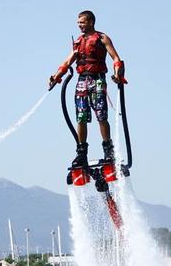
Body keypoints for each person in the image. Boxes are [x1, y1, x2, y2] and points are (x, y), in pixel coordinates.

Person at [49, 10, 126, 167]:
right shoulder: (78, 42)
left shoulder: (102, 38)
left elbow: (116, 58)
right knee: (81, 117)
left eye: (82, 22)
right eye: (78, 23)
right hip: (82, 80)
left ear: (90, 22)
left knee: (101, 115)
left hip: (97, 79)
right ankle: (81, 153)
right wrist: (57, 76)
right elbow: (67, 61)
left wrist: (117, 74)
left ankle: (108, 151)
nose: (79, 26)